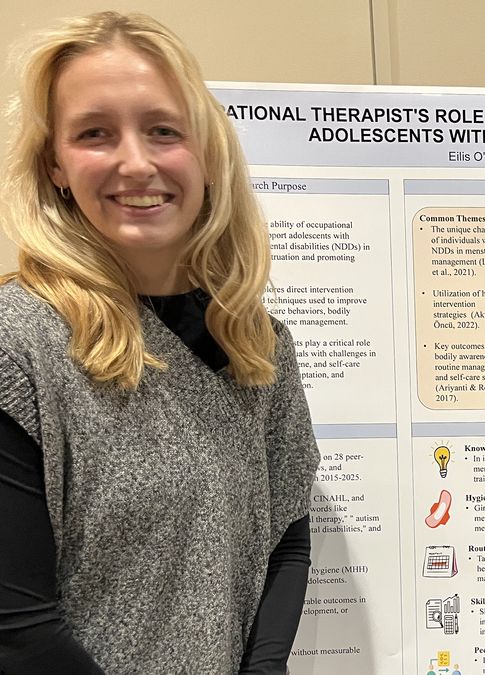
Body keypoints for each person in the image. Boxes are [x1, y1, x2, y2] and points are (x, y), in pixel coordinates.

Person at [0, 12, 320, 674]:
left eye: (162, 130)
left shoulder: (256, 344)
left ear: (204, 152)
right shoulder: (17, 346)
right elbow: (18, 631)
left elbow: (285, 534)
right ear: (55, 165)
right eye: (94, 133)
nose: (136, 161)